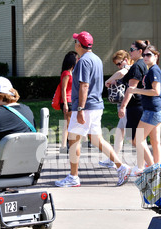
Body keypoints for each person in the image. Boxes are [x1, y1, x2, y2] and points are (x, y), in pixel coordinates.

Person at [55, 31, 132, 187]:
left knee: (73, 140)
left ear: (79, 44)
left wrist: (81, 109)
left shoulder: (83, 61)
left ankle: (73, 177)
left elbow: (84, 85)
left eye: (75, 41)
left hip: (86, 107)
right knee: (97, 139)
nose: (74, 44)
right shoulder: (96, 59)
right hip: (95, 105)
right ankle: (122, 167)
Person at [126, 44, 161, 175]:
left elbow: (156, 91)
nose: (145, 57)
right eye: (144, 55)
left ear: (156, 56)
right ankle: (157, 169)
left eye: (148, 55)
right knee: (155, 141)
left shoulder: (154, 70)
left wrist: (136, 90)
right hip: (157, 110)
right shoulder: (152, 69)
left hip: (152, 111)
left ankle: (152, 169)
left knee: (138, 139)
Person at [117, 40, 149, 175]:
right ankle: (143, 165)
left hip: (135, 106)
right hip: (138, 105)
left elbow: (131, 88)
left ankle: (147, 164)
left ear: (139, 51)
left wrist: (123, 106)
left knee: (135, 138)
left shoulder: (137, 66)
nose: (130, 52)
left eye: (132, 49)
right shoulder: (140, 65)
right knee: (137, 138)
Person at [99, 50, 133, 168]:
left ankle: (145, 162)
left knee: (134, 137)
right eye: (117, 64)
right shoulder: (128, 69)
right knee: (120, 132)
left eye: (119, 63)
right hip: (126, 104)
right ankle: (113, 159)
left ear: (126, 59)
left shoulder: (128, 68)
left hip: (129, 105)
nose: (118, 66)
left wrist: (108, 81)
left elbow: (122, 72)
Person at [59, 51, 79, 153]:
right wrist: (65, 104)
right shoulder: (66, 73)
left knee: (70, 124)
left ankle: (66, 145)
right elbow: (63, 89)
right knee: (68, 124)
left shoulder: (73, 72)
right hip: (67, 101)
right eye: (77, 58)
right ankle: (64, 145)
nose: (78, 60)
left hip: (73, 100)